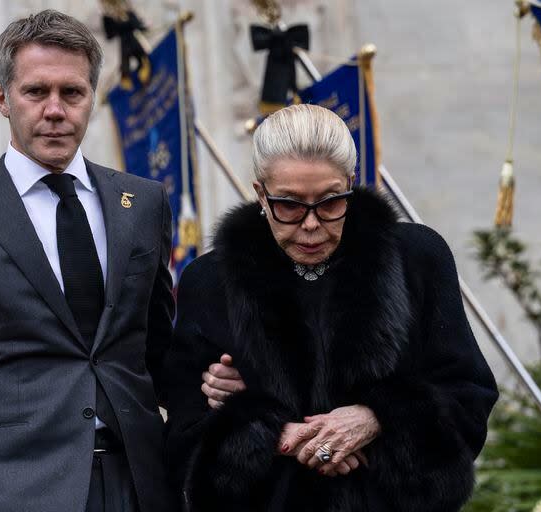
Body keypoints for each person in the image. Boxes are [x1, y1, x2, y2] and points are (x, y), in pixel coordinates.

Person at [0, 9, 242, 511]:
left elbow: (159, 354)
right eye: (36, 92)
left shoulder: (142, 205)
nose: (55, 109)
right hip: (13, 494)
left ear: (91, 99)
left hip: (140, 488)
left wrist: (215, 381)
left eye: (72, 93)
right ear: (2, 98)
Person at [164, 104, 499, 511]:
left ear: (352, 186)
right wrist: (276, 434)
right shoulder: (211, 281)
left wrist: (377, 417)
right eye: (288, 205)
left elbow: (469, 396)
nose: (310, 225)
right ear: (260, 195)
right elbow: (185, 431)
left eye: (330, 202)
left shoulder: (417, 258)